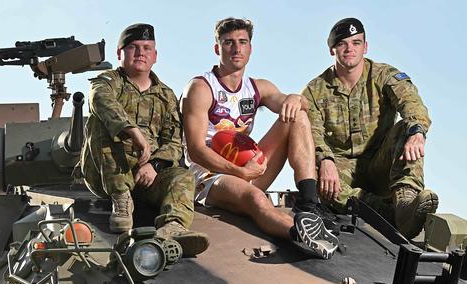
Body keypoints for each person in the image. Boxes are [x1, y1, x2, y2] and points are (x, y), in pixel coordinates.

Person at [181, 17, 338, 260]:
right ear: (217, 48)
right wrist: (240, 173)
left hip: (249, 168)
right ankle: (299, 233)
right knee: (257, 197)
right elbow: (195, 150)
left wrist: (297, 99)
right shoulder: (201, 88)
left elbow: (294, 103)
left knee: (297, 116)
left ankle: (309, 204)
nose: (236, 48)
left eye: (242, 42)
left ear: (250, 49)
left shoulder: (258, 87)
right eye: (229, 42)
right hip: (210, 176)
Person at [80, 23, 209, 257]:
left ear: (155, 56)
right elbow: (100, 100)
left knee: (183, 175)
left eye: (147, 48)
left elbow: (173, 142)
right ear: (120, 53)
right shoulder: (106, 82)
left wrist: (154, 165)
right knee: (100, 121)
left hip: (146, 175)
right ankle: (120, 198)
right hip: (105, 175)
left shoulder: (166, 95)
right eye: (133, 47)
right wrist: (132, 131)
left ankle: (172, 226)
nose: (140, 53)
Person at [302, 18, 438, 239]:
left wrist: (417, 133)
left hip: (380, 162)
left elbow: (411, 102)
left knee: (407, 128)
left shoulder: (382, 75)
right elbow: (310, 132)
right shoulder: (314, 91)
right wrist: (325, 160)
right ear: (332, 49)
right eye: (343, 44)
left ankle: (405, 202)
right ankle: (387, 214)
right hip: (341, 170)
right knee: (313, 172)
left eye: (356, 43)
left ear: (365, 47)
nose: (350, 49)